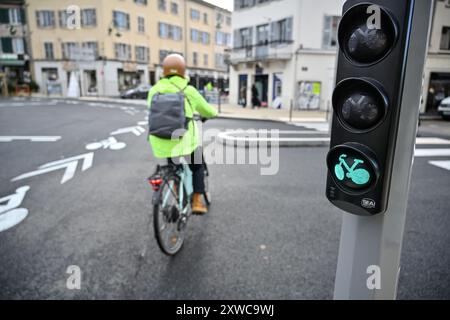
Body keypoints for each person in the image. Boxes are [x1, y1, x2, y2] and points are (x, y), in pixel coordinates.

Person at [147, 54, 217, 214]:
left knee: (174, 165)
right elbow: (208, 111)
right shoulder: (189, 90)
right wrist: (212, 113)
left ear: (164, 72)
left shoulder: (153, 91)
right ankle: (197, 201)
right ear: (183, 72)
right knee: (197, 165)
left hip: (160, 143)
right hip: (184, 144)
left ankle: (178, 194)